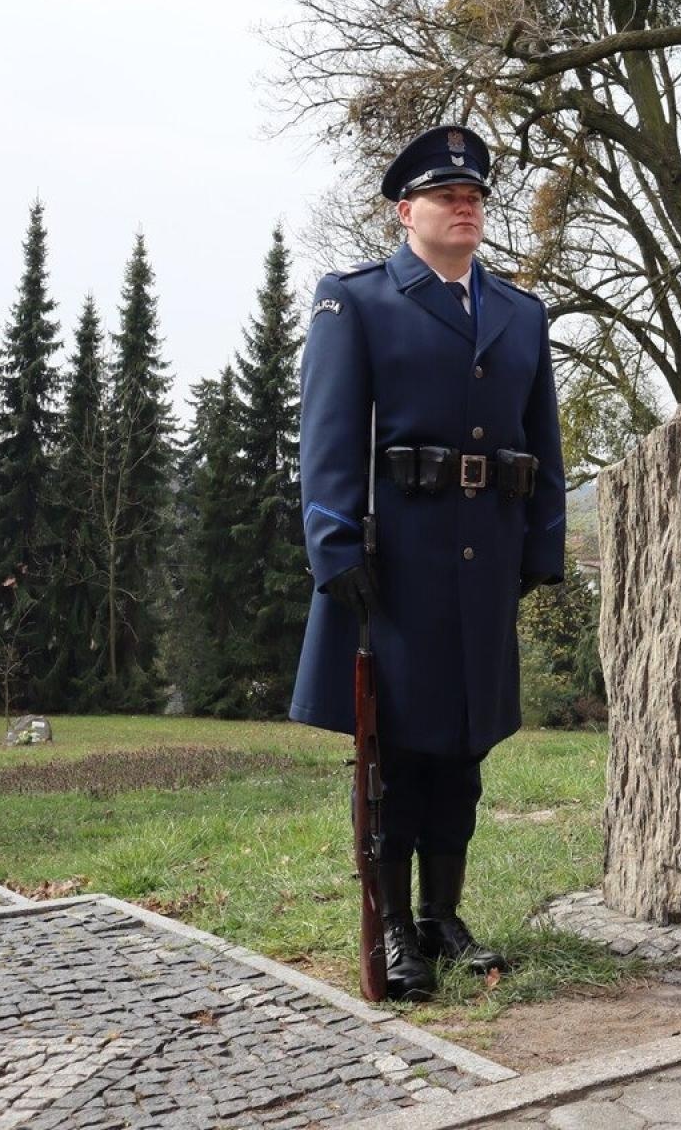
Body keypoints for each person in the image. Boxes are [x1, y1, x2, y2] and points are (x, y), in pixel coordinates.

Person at [290, 125, 566, 1000]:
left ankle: (445, 917)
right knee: (396, 754)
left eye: (476, 196)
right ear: (405, 210)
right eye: (446, 196)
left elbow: (542, 443)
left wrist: (543, 546)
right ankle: (397, 929)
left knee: (464, 745)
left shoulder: (520, 313)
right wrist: (333, 543)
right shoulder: (357, 301)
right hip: (395, 562)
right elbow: (329, 435)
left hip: (484, 561)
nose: (465, 207)